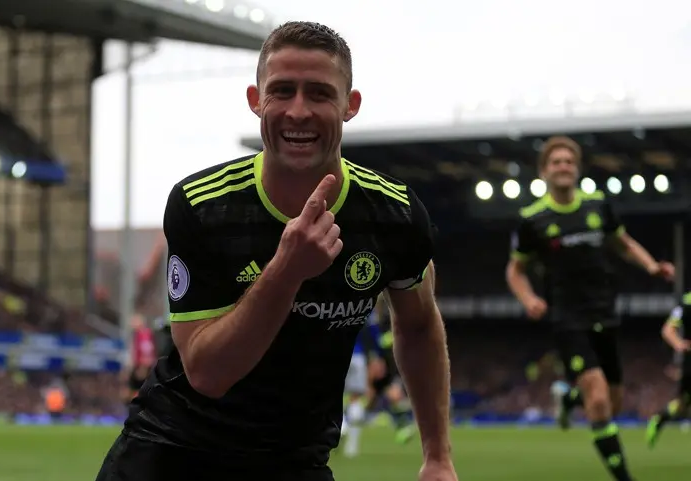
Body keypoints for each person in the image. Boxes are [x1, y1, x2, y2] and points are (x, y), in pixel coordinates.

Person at [94, 21, 456, 481]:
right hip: (172, 453)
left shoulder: (395, 215)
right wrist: (287, 270)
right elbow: (207, 373)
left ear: (351, 105)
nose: (298, 112)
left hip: (295, 460)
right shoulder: (202, 205)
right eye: (281, 91)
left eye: (320, 94)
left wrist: (438, 457)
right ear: (255, 100)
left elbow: (420, 326)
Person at [506, 135, 674, 481]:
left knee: (613, 405)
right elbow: (515, 270)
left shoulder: (598, 206)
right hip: (567, 316)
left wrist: (652, 267)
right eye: (556, 162)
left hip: (605, 311)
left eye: (569, 161)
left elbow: (623, 244)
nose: (563, 167)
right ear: (544, 172)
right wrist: (528, 299)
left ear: (577, 169)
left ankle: (568, 399)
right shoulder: (532, 219)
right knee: (597, 401)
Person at [366, 294, 416, 444]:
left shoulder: (380, 319)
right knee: (367, 399)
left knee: (393, 396)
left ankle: (402, 427)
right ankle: (345, 425)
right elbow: (374, 342)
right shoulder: (371, 320)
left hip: (385, 366)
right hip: (374, 365)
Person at [646, 291, 691, 448]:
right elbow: (668, 329)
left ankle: (660, 419)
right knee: (682, 405)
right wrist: (679, 344)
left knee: (682, 405)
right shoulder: (687, 302)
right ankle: (660, 419)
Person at [339, 321, 382, 458]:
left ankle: (343, 425)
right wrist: (375, 357)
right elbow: (373, 335)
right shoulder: (365, 308)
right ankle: (352, 447)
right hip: (358, 357)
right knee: (355, 398)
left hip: (339, 354)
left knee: (333, 395)